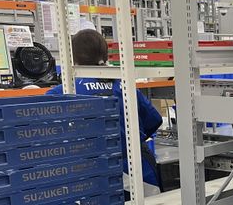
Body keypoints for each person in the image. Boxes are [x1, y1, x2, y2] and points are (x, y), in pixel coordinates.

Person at [48, 29, 164, 190]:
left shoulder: (63, 91)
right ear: (105, 54)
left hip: (91, 175)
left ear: (72, 57)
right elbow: (154, 120)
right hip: (138, 171)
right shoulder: (123, 85)